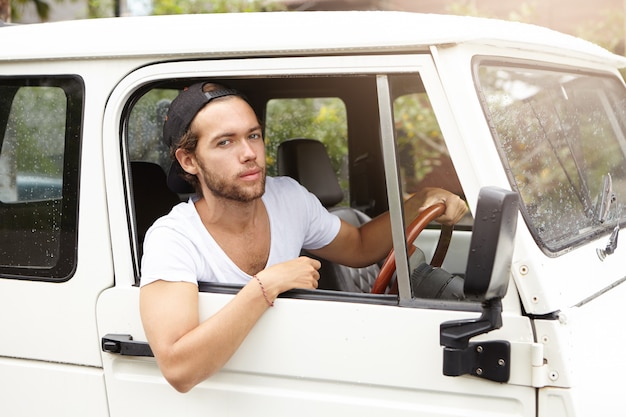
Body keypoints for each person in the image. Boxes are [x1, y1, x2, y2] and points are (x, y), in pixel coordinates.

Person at [139, 82, 468, 393]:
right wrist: (266, 285)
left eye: (253, 136)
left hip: (295, 378)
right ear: (189, 160)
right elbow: (179, 370)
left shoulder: (288, 198)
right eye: (225, 142)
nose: (250, 153)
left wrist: (421, 200)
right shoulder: (173, 239)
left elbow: (360, 247)